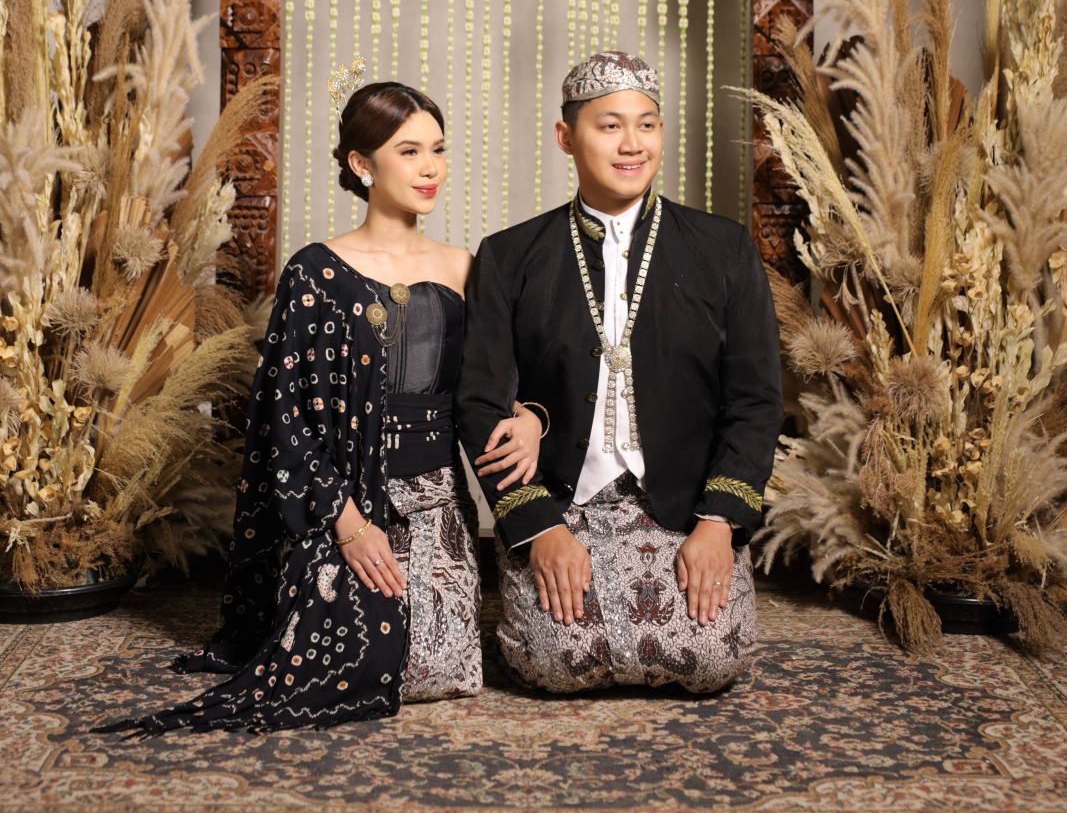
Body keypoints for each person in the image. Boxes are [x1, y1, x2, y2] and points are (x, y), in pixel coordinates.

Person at [101, 67, 541, 733]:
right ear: (362, 164)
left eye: (438, 149)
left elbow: (502, 384)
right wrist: (348, 524)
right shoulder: (315, 271)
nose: (431, 168)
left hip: (436, 500)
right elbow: (285, 420)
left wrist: (529, 417)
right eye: (409, 151)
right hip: (341, 500)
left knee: (435, 668)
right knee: (336, 657)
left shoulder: (464, 268)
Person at [458, 49, 782, 694]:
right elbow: (480, 402)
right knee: (552, 662)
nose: (632, 144)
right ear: (566, 137)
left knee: (710, 659)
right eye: (609, 126)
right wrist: (539, 528)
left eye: (647, 124)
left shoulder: (723, 249)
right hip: (562, 503)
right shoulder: (509, 256)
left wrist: (718, 523)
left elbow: (756, 399)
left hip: (686, 505)